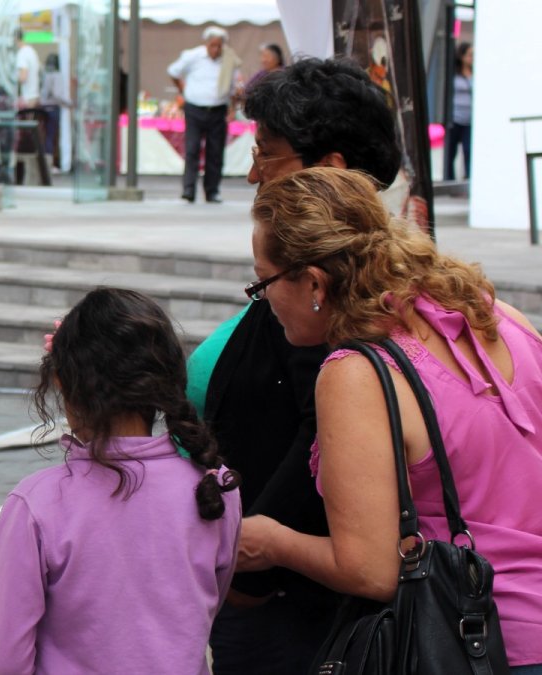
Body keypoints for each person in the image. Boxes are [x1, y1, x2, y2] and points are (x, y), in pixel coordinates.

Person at [238, 166, 542, 672]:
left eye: (262, 280)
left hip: (484, 643)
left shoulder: (358, 374)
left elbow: (370, 570)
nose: (262, 297)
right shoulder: (500, 315)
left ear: (314, 283)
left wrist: (269, 540)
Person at [184, 57, 402, 675]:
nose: (253, 173)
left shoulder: (327, 301)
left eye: (266, 154)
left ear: (329, 169)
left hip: (284, 599)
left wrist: (258, 559)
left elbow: (319, 446)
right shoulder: (313, 275)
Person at [0, 288, 241, 675]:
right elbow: (204, 608)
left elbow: (4, 661)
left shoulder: (37, 504)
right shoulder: (215, 488)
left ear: (64, 385)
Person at [167, 26, 241, 203]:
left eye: (219, 46)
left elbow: (234, 86)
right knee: (192, 149)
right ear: (206, 43)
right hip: (195, 109)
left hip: (217, 110)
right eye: (212, 45)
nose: (215, 49)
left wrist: (233, 106)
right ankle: (189, 189)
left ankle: (212, 190)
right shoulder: (193, 56)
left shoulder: (229, 60)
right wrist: (183, 90)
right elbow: (173, 71)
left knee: (215, 152)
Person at [38, 53, 73, 171]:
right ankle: (49, 164)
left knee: (46, 136)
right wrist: (68, 103)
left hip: (43, 108)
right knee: (51, 136)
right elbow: (57, 94)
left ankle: (46, 163)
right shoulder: (57, 75)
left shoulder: (45, 74)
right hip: (53, 108)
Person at [446, 41, 474, 181]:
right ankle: (449, 179)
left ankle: (469, 179)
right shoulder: (453, 73)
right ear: (462, 56)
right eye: (469, 55)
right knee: (450, 152)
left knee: (469, 151)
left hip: (469, 120)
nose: (472, 58)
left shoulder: (475, 72)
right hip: (455, 118)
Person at [14, 28, 41, 109]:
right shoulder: (32, 51)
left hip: (28, 98)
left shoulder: (22, 53)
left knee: (27, 121)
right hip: (35, 95)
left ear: (15, 39)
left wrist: (15, 79)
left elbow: (23, 77)